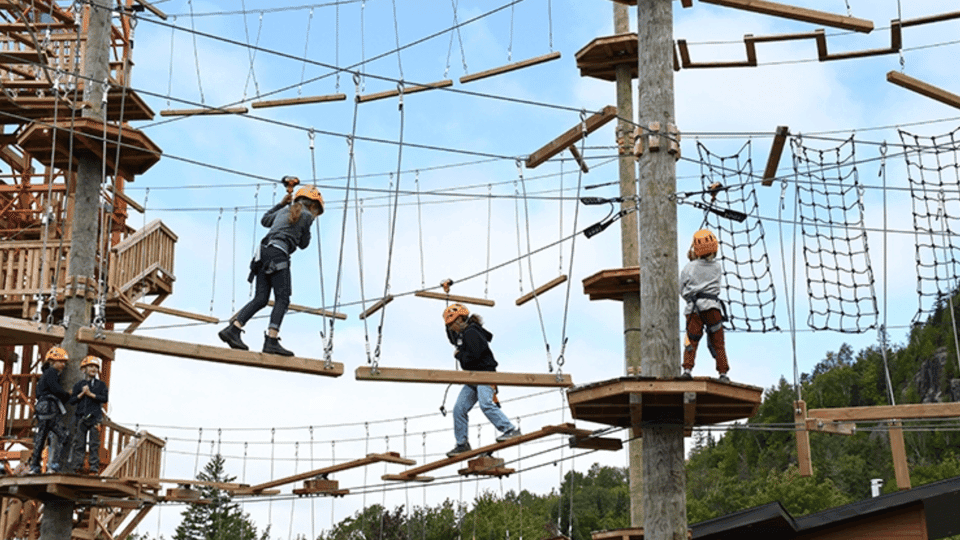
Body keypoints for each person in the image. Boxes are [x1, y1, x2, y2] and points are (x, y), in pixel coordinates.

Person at [219, 180, 324, 357]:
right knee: (282, 299)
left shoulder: (284, 211)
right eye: (316, 211)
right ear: (313, 206)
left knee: (261, 298)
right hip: (278, 254)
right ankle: (271, 340)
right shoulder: (306, 216)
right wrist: (308, 225)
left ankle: (233, 329)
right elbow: (304, 244)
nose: (315, 215)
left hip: (262, 253)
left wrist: (281, 204)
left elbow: (265, 220)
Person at [443, 303, 521, 457]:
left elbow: (474, 356)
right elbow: (453, 340)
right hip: (473, 378)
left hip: (485, 374)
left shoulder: (472, 332)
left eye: (452, 324)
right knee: (459, 409)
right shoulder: (464, 334)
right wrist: (446, 327)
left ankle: (510, 429)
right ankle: (462, 444)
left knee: (486, 403)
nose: (452, 328)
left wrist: (459, 356)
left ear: (460, 320)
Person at [680, 229, 730, 383]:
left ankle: (687, 370)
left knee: (691, 339)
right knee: (718, 341)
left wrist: (692, 260)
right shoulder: (717, 267)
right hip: (712, 307)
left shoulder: (689, 267)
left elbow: (682, 289)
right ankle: (723, 373)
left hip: (694, 308)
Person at [29, 347, 71, 474]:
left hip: (42, 408)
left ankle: (34, 466)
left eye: (64, 362)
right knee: (63, 435)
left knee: (41, 437)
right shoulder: (52, 372)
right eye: (60, 361)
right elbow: (56, 389)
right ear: (52, 362)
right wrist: (67, 395)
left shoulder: (45, 375)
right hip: (49, 407)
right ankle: (54, 465)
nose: (63, 365)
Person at [67, 356, 109, 474]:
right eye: (91, 366)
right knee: (79, 443)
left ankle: (94, 467)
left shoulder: (101, 385)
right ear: (84, 369)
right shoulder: (79, 385)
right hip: (81, 417)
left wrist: (90, 394)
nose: (93, 369)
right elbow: (72, 400)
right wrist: (82, 394)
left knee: (94, 444)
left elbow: (104, 398)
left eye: (96, 367)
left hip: (95, 417)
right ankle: (78, 466)